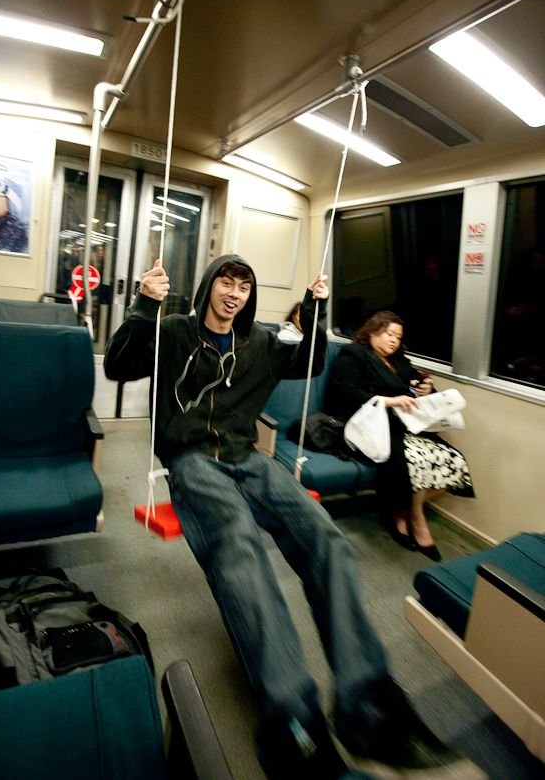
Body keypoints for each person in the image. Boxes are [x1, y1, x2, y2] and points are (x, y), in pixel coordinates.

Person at [104, 256, 483, 780]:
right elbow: (118, 366)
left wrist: (316, 310)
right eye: (225, 281)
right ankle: (293, 719)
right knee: (240, 546)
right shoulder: (173, 330)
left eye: (243, 285)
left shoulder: (258, 342)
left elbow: (309, 361)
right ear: (209, 285)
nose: (234, 292)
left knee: (327, 539)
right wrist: (146, 302)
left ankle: (366, 706)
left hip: (246, 458)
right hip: (192, 459)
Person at [325, 310, 473, 561]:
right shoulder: (354, 355)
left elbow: (417, 383)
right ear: (372, 332)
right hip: (368, 424)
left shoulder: (400, 362)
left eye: (398, 336)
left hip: (403, 425)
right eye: (388, 333)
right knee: (412, 461)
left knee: (452, 459)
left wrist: (427, 389)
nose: (393, 340)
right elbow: (344, 393)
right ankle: (407, 516)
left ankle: (412, 512)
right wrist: (388, 401)